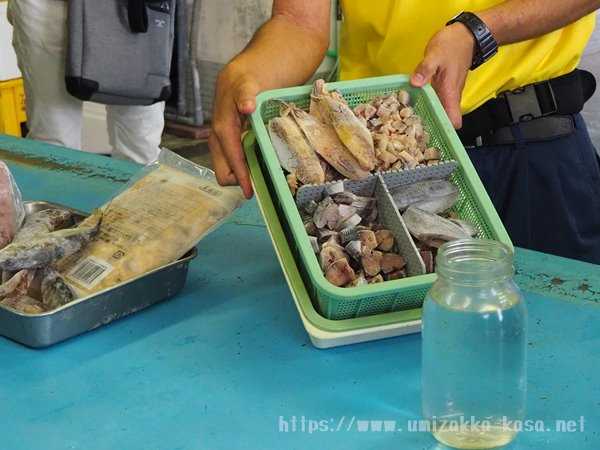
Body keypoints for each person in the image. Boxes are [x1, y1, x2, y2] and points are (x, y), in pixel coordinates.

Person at [209, 0, 600, 264]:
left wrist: (479, 31)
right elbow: (298, 23)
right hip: (377, 163)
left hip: (530, 149)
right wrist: (248, 74)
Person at [7, 0, 164, 164]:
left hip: (132, 9)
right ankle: (57, 187)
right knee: (54, 149)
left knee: (141, 147)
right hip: (47, 7)